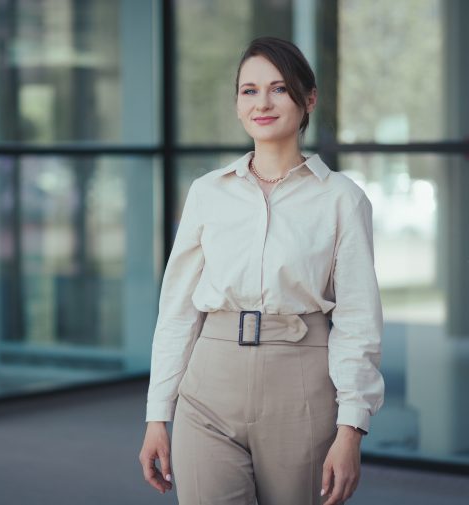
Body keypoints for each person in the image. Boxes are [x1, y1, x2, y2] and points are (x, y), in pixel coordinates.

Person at [138, 36, 385, 505]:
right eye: (249, 90)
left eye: (278, 88)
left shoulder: (342, 199)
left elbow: (358, 321)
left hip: (301, 390)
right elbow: (176, 311)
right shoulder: (208, 192)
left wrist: (351, 427)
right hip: (208, 386)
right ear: (236, 103)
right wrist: (157, 414)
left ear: (308, 99)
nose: (262, 103)